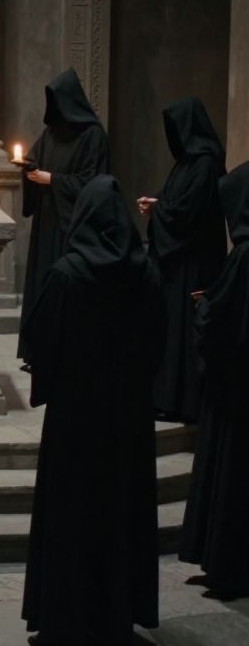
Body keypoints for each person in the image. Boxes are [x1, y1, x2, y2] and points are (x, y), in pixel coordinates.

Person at [22, 175, 164, 646]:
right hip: (128, 419)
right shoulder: (146, 273)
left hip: (76, 420)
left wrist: (58, 382)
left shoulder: (66, 276)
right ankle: (115, 616)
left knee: (74, 514)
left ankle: (67, 618)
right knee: (121, 512)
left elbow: (41, 345)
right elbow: (159, 341)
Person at [179, 160, 249, 600]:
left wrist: (205, 306)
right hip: (238, 387)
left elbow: (223, 324)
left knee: (231, 478)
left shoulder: (244, 255)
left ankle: (229, 568)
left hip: (234, 393)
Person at [137, 97, 226, 422]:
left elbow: (191, 214)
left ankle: (182, 402)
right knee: (171, 329)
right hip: (177, 262)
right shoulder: (188, 163)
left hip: (194, 263)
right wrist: (156, 204)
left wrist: (159, 210)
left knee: (184, 332)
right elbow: (175, 201)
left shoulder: (207, 164)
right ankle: (165, 396)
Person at [17, 68, 110, 367]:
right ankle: (39, 353)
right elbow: (35, 159)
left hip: (73, 226)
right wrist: (28, 167)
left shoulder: (93, 135)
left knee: (66, 288)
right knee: (43, 284)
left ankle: (65, 354)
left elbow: (93, 182)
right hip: (47, 221)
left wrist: (52, 180)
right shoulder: (52, 132)